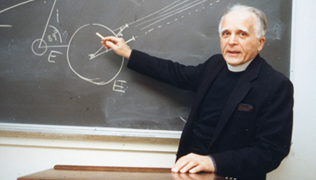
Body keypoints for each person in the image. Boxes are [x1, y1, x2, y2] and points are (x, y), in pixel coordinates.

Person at [101, 4, 293, 180]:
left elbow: (271, 152)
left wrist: (212, 162)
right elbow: (174, 72)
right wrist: (128, 53)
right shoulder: (214, 66)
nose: (232, 41)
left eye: (242, 34)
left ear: (260, 43)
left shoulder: (276, 85)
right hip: (188, 174)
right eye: (226, 34)